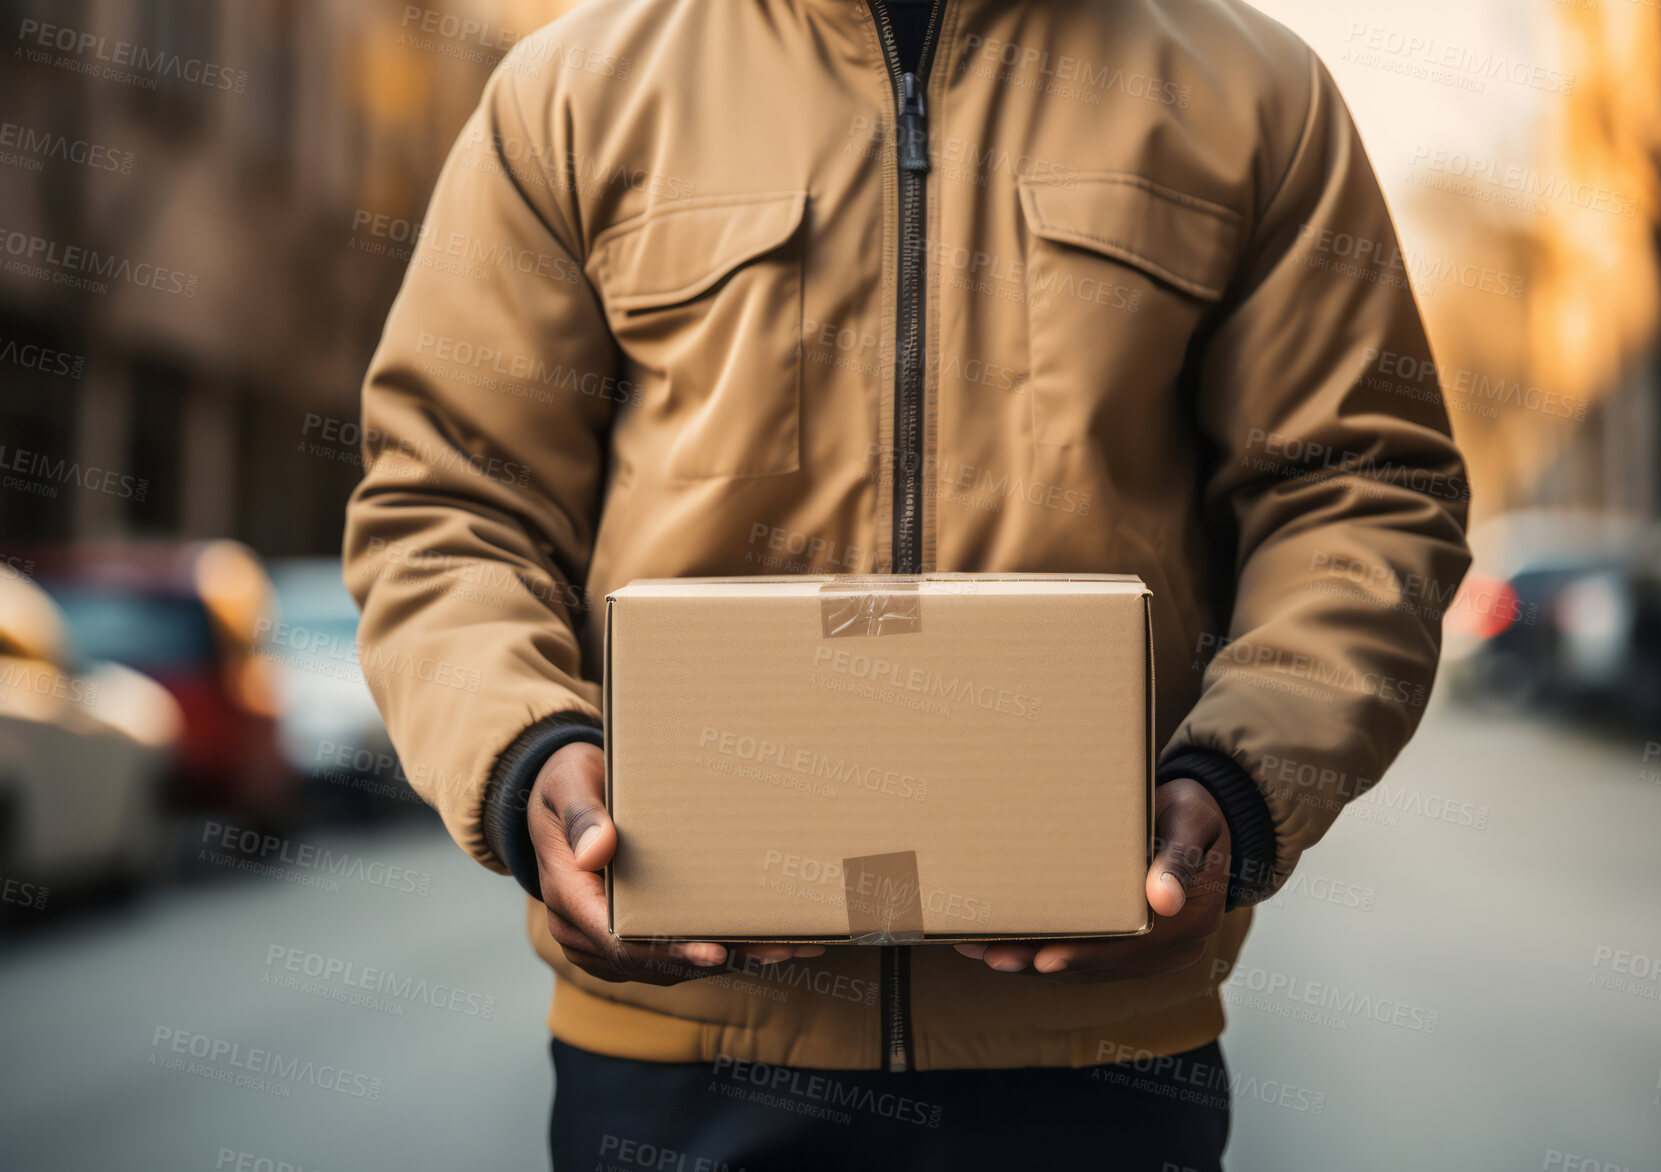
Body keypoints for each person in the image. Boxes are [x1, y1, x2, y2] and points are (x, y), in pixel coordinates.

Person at [344, 0, 1471, 1167]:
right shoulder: (572, 93)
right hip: (682, 1054)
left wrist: (1237, 782)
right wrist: (526, 758)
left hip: (1094, 1053)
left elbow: (1358, 488)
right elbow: (451, 503)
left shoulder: (1250, 91)